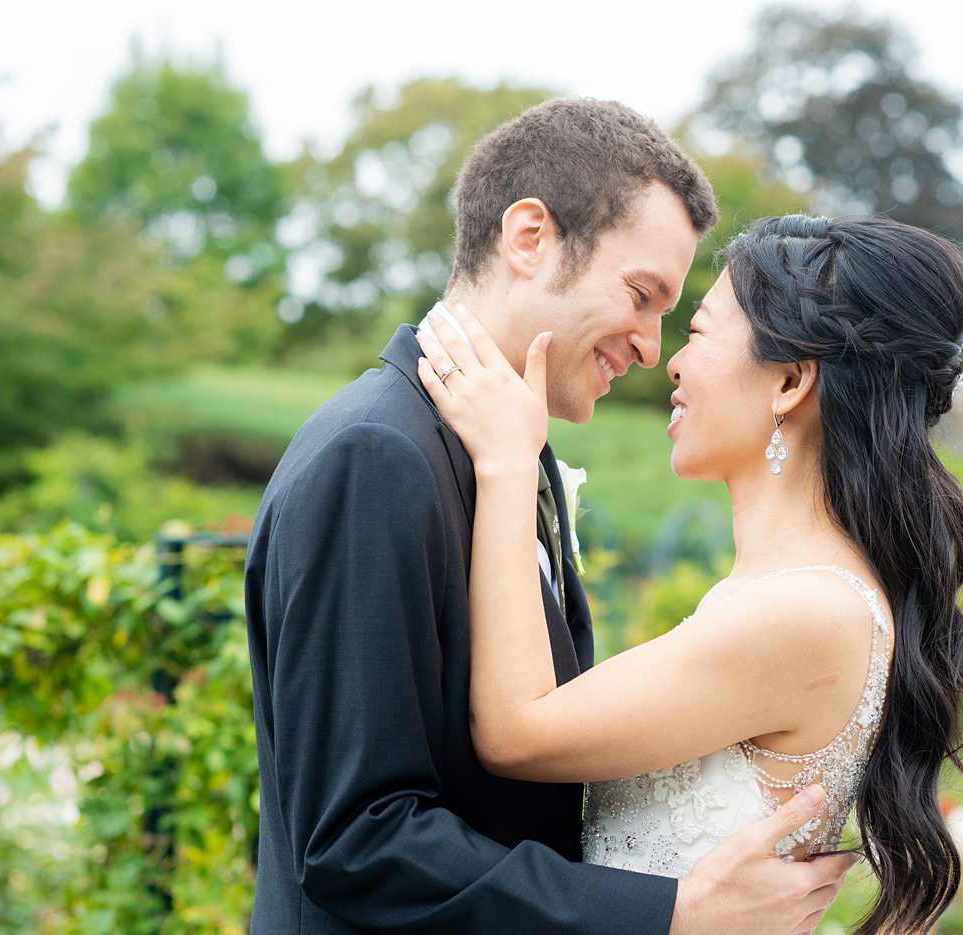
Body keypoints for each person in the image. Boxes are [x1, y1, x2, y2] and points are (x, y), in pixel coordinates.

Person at [244, 100, 855, 934]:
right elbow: (355, 837)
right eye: (641, 295)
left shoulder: (509, 455)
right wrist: (668, 912)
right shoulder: (377, 454)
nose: (651, 346)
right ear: (529, 237)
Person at [416, 213, 963, 935]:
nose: (668, 362)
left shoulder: (807, 610)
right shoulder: (786, 595)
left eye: (699, 332)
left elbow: (515, 730)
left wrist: (506, 463)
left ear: (791, 382)